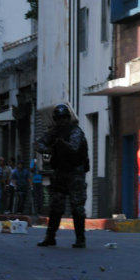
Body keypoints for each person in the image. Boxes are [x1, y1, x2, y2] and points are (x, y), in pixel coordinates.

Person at [34, 104, 89, 248]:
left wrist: (60, 145)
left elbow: (74, 148)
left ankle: (80, 239)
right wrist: (50, 149)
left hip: (75, 173)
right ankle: (50, 237)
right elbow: (39, 144)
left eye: (63, 119)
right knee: (56, 207)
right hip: (60, 172)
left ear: (68, 118)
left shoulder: (75, 132)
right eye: (58, 119)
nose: (61, 122)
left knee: (77, 207)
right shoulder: (54, 132)